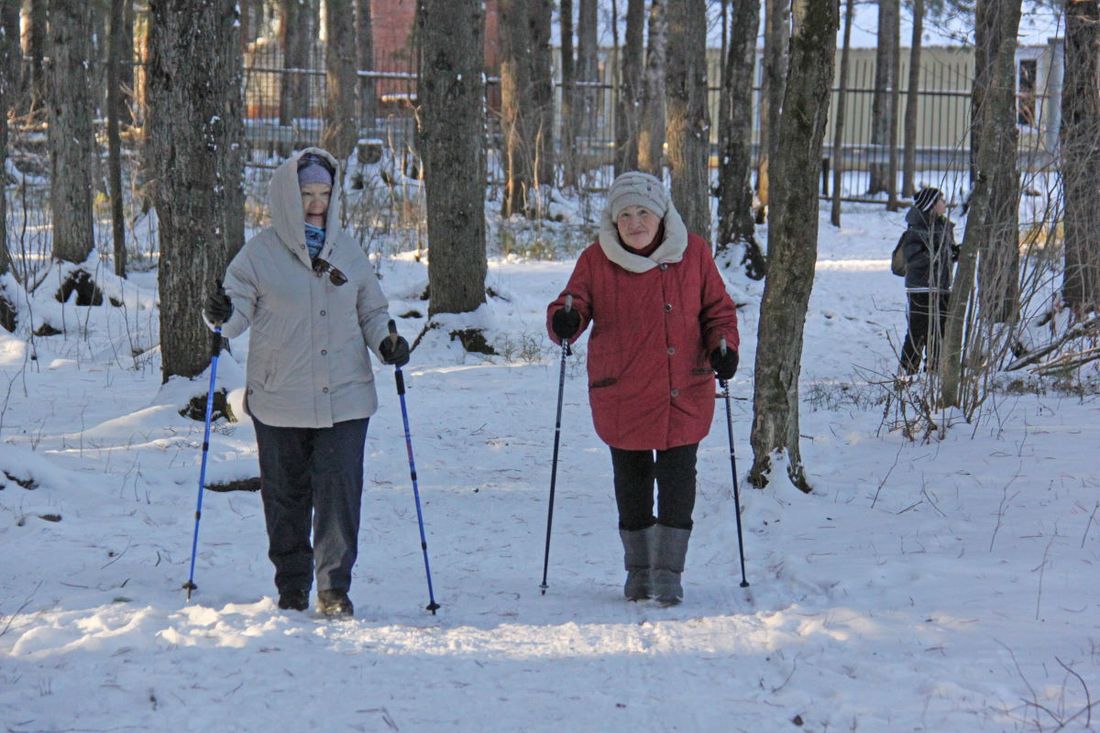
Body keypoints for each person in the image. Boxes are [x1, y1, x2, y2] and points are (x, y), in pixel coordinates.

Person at [203, 148, 410, 617]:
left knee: (339, 493)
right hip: (280, 397)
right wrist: (219, 314)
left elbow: (372, 312)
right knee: (285, 496)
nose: (316, 203)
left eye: (323, 193)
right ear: (285, 197)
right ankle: (292, 584)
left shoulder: (348, 249)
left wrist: (387, 343)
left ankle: (334, 589)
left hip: (346, 397)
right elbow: (233, 314)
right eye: (306, 194)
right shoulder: (259, 254)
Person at [545, 171, 739, 606]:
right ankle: (638, 570)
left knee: (677, 481)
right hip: (623, 392)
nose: (635, 223)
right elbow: (572, 302)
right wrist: (565, 321)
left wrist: (723, 347)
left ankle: (668, 572)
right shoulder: (597, 260)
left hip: (682, 389)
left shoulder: (694, 253)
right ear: (614, 222)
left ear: (661, 214)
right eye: (625, 215)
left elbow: (718, 312)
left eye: (643, 212)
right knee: (631, 483)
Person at [899, 186, 958, 375]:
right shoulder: (915, 229)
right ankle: (907, 372)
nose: (945, 203)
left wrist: (955, 252)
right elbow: (913, 258)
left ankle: (934, 371)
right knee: (918, 332)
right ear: (931, 205)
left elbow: (948, 254)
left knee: (940, 332)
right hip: (920, 289)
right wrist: (937, 252)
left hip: (941, 288)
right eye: (941, 200)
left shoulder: (945, 226)